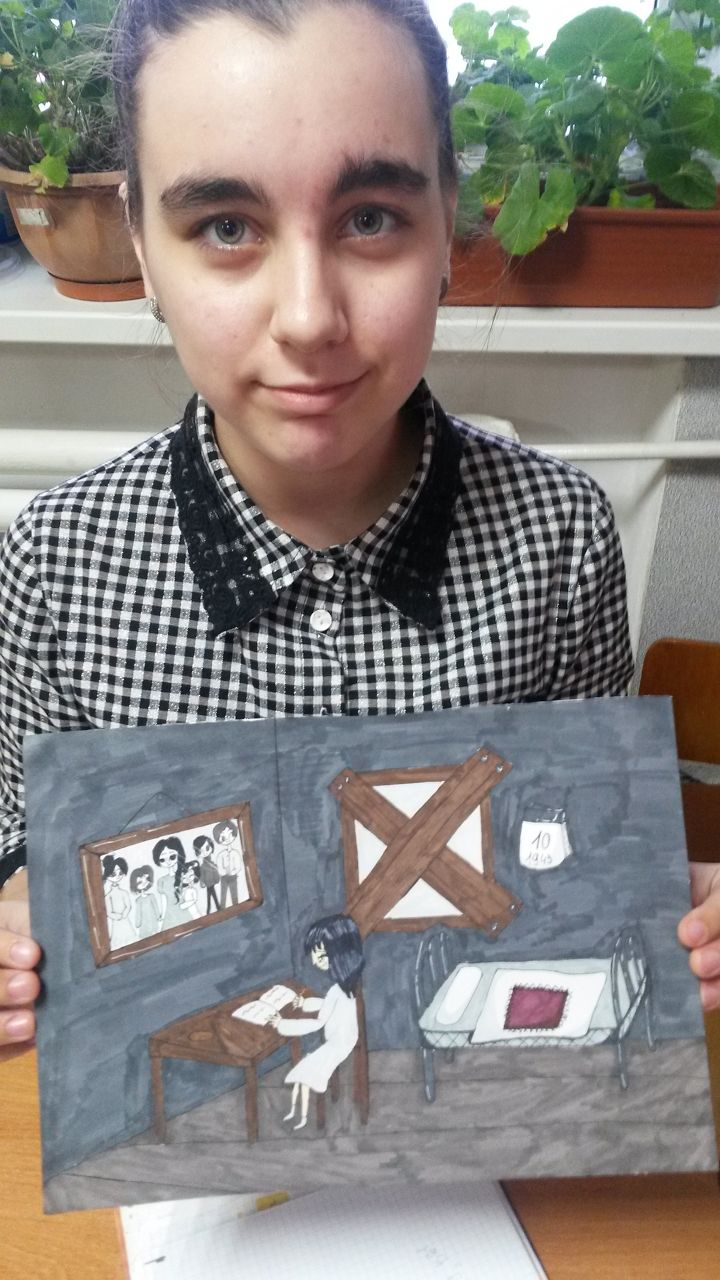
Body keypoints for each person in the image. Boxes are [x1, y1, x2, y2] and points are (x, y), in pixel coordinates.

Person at [1, 0, 719, 1063]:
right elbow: (24, 848)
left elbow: (578, 846)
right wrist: (17, 920)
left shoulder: (561, 538)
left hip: (468, 1109)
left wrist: (666, 897)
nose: (308, 318)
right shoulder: (54, 564)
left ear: (447, 222)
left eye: (371, 217)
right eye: (227, 226)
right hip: (198, 1116)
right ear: (143, 246)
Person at [271, 913, 365, 1130]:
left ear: (341, 956)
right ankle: (296, 1113)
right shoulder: (349, 986)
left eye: (321, 956)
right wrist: (304, 1003)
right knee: (302, 1073)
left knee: (304, 1073)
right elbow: (327, 1005)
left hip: (338, 1044)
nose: (314, 961)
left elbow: (318, 1023)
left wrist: (282, 1025)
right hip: (347, 1038)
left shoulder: (336, 990)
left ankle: (303, 1117)